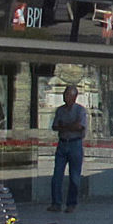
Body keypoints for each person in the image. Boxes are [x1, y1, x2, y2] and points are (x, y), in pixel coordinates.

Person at [49, 80, 88, 213]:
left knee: (74, 176)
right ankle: (56, 203)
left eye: (69, 95)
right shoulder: (60, 110)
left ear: (75, 97)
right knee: (57, 175)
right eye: (65, 95)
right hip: (62, 144)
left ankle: (71, 203)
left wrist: (64, 126)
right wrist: (70, 126)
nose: (66, 98)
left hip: (75, 144)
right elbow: (55, 126)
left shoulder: (80, 110)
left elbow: (79, 126)